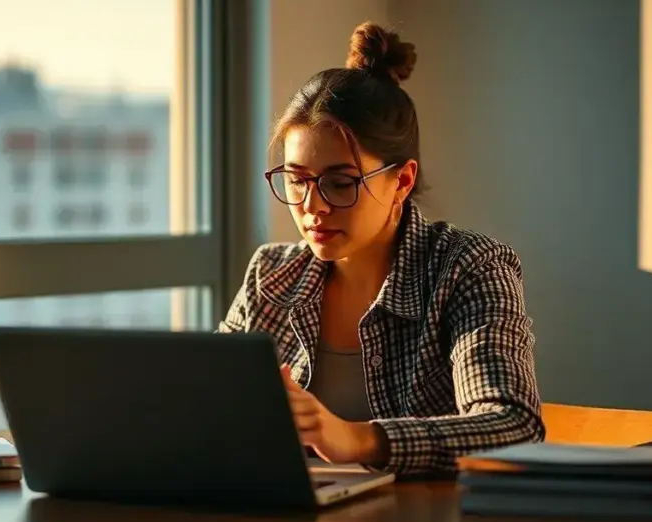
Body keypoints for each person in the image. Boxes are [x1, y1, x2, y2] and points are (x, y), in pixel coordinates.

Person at [218, 22, 544, 476]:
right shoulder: (271, 274)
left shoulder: (468, 268)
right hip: (299, 508)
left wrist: (357, 439)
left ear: (403, 181)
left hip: (427, 513)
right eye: (296, 180)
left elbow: (513, 426)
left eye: (339, 183)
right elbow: (209, 403)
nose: (312, 207)